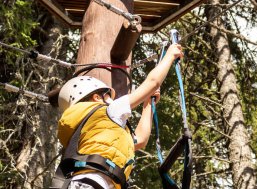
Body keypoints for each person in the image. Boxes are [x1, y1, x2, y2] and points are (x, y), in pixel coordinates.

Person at [54, 43, 183, 189]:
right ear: (96, 97)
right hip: (93, 182)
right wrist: (170, 55)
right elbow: (152, 83)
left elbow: (139, 140)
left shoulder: (93, 131)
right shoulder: (106, 111)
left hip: (88, 182)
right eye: (108, 95)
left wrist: (147, 105)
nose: (112, 99)